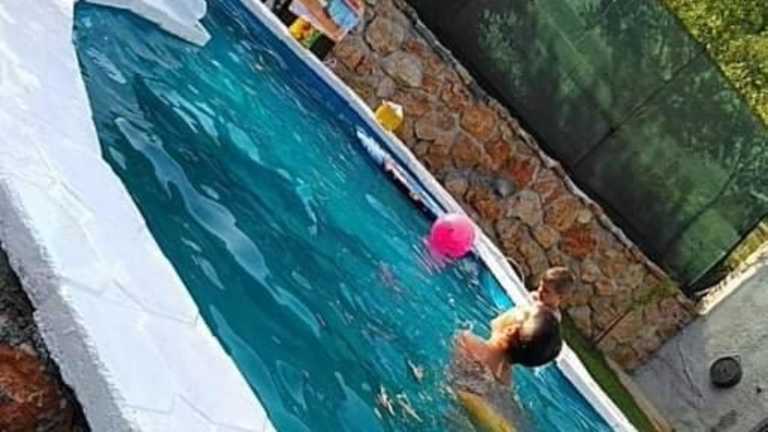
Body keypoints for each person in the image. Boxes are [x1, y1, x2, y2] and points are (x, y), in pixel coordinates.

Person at [448, 307, 563, 431]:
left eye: (520, 309)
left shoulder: (467, 342)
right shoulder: (506, 382)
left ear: (510, 330)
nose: (514, 308)